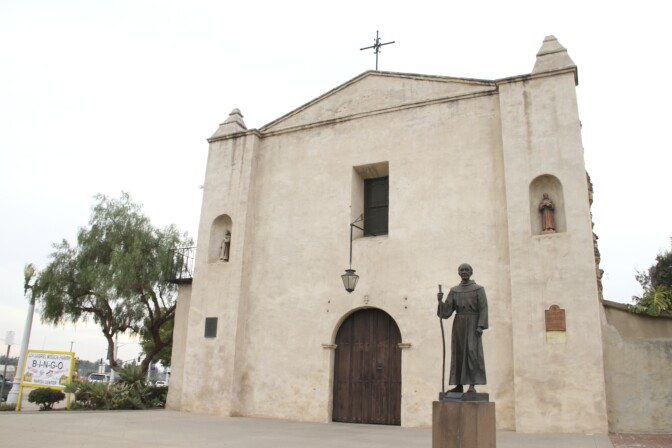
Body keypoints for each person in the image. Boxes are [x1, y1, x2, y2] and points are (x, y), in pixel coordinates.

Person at [437, 263, 488, 393]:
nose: (464, 272)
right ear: (459, 273)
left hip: (473, 323)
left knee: (472, 353)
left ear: (471, 272)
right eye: (462, 270)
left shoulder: (478, 289)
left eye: (467, 270)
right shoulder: (454, 291)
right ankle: (458, 385)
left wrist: (480, 326)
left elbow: (483, 308)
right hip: (459, 324)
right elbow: (447, 311)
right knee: (458, 353)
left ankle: (472, 385)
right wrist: (440, 302)